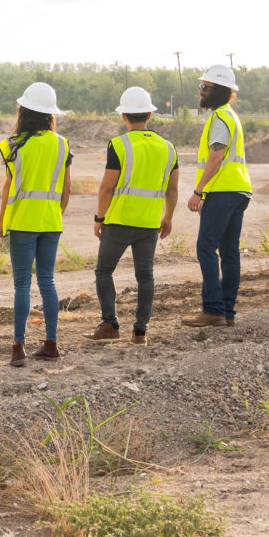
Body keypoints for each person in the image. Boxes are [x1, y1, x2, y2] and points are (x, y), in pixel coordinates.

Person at [87, 86, 178, 344]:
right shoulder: (169, 148)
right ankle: (140, 332)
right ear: (149, 114)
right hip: (149, 223)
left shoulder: (119, 145)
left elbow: (107, 187)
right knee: (145, 276)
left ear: (124, 116)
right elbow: (172, 188)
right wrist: (168, 217)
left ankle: (110, 326)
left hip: (119, 222)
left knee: (104, 271)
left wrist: (99, 217)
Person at [0, 82, 72, 367]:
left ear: (24, 111)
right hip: (51, 221)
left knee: (22, 285)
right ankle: (51, 345)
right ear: (50, 114)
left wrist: (3, 221)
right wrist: (56, 213)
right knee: (47, 281)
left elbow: (8, 186)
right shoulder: (62, 144)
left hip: (22, 222)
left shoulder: (13, 144)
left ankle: (19, 348)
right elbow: (67, 189)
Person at [182, 64, 251, 327]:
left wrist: (199, 192)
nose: (200, 91)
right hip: (239, 190)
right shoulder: (230, 115)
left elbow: (216, 155)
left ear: (218, 91)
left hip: (223, 191)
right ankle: (227, 312)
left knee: (206, 247)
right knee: (229, 251)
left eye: (204, 87)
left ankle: (213, 309)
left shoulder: (220, 117)